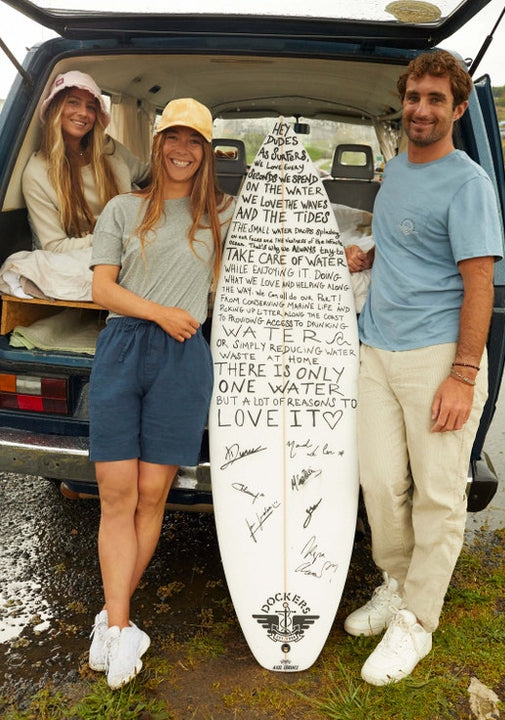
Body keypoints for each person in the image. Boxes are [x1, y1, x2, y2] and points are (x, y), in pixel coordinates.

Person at [344, 50, 504, 685]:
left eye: (436, 100)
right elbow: (410, 239)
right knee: (381, 484)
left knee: (438, 494)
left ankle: (417, 622)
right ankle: (395, 582)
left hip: (438, 356)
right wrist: (370, 255)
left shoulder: (469, 183)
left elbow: (480, 283)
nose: (421, 109)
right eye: (414, 97)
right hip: (375, 348)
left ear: (458, 110)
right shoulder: (398, 170)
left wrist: (463, 375)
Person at [87, 97, 234, 689]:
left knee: (153, 494)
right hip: (124, 347)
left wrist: (346, 254)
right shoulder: (123, 210)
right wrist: (161, 313)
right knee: (116, 492)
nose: (182, 150)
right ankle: (122, 628)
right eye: (173, 137)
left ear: (207, 152)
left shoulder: (222, 213)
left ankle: (112, 620)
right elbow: (101, 289)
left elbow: (279, 248)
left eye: (194, 141)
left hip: (184, 360)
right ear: (157, 143)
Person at [22, 70, 149, 254]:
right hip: (80, 258)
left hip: (133, 245)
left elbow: (149, 176)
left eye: (91, 107)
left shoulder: (110, 151)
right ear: (55, 108)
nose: (83, 113)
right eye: (73, 102)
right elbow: (55, 247)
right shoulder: (37, 172)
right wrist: (117, 237)